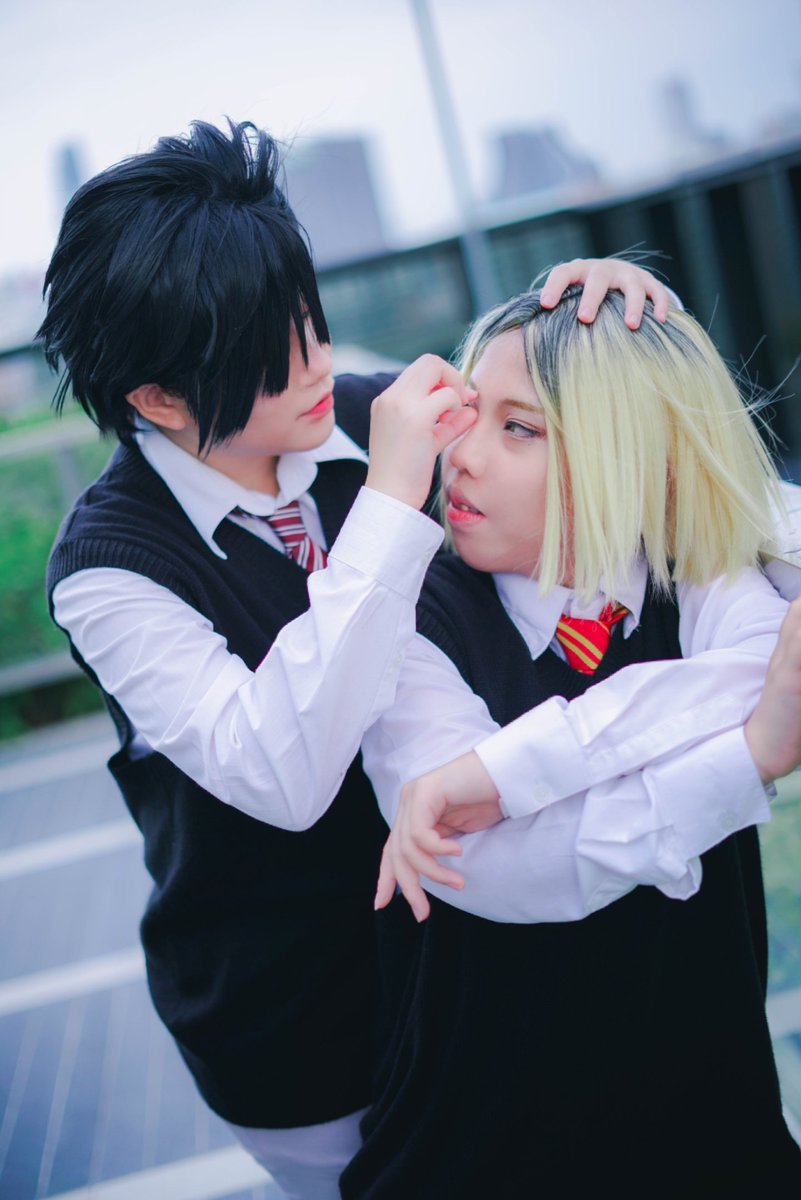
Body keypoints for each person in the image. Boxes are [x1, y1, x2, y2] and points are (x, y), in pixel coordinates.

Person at [41, 117, 675, 1199]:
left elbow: (575, 442)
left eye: (307, 315)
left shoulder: (355, 414)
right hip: (298, 1024)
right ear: (158, 399)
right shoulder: (107, 571)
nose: (317, 361)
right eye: (269, 354)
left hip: (468, 966)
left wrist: (609, 324)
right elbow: (282, 775)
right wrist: (386, 498)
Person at [340, 287, 801, 1198]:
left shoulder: (696, 573)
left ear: (623, 453)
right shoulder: (403, 622)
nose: (462, 455)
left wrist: (507, 770)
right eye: (470, 412)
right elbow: (510, 868)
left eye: (519, 428)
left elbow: (762, 661)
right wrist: (746, 756)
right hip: (483, 1152)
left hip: (716, 1123)